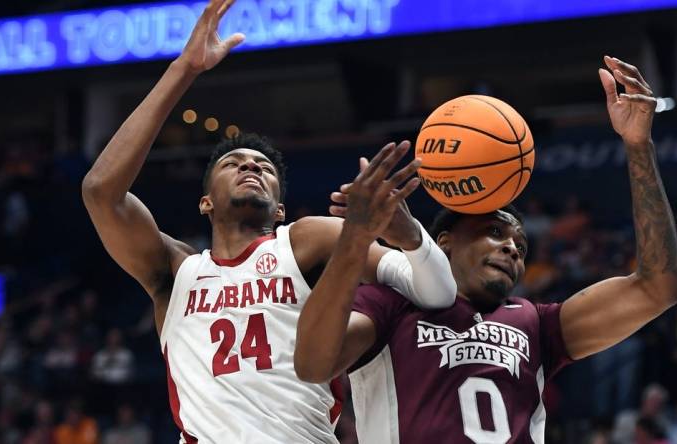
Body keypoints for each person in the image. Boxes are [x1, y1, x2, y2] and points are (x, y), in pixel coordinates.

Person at [81, 0, 455, 442]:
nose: (250, 167)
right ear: (205, 203)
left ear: (279, 209)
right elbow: (100, 191)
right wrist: (184, 69)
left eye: (264, 167)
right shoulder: (175, 272)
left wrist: (409, 237)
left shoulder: (305, 239)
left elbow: (438, 292)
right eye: (233, 163)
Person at [294, 55, 677, 443]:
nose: (513, 249)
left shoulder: (537, 323)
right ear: (443, 242)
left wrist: (638, 146)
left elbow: (658, 288)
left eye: (521, 245)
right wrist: (356, 239)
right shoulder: (392, 304)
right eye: (495, 232)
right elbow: (315, 364)